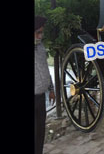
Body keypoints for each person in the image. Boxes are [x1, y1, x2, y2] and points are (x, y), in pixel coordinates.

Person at [35, 16, 55, 154]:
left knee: (40, 131)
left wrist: (52, 89)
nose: (40, 36)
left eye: (41, 32)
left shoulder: (41, 47)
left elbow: (46, 69)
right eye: (38, 32)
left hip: (41, 97)